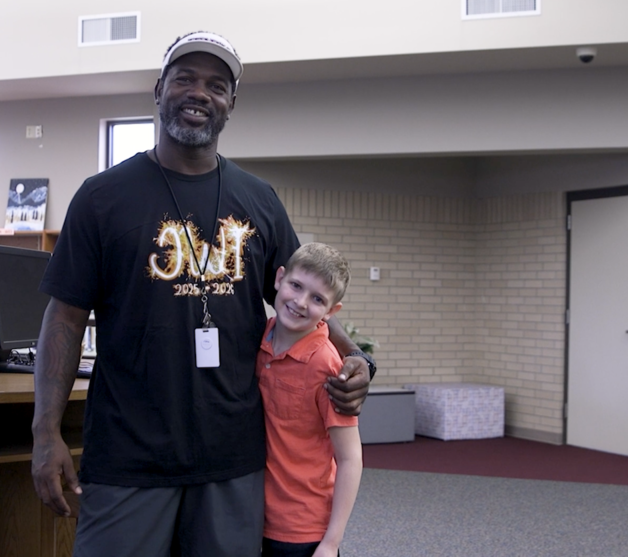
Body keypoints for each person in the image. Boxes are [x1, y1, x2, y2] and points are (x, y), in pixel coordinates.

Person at [30, 31, 376, 556]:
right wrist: (44, 431)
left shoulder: (259, 199)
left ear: (231, 103)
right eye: (185, 78)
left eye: (216, 85)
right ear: (159, 89)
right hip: (128, 455)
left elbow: (309, 298)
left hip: (233, 458)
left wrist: (357, 360)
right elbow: (64, 318)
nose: (199, 93)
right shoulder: (102, 197)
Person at [257, 242, 362, 557]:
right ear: (279, 279)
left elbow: (350, 458)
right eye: (296, 286)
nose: (300, 302)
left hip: (303, 530)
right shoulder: (259, 339)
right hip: (255, 516)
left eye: (318, 299)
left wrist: (330, 543)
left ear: (331, 312)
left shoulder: (326, 364)